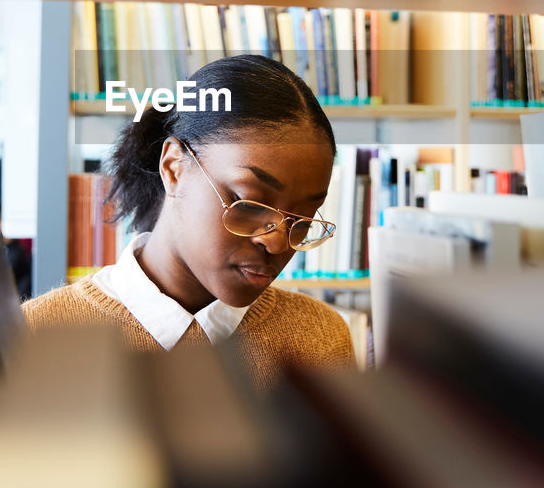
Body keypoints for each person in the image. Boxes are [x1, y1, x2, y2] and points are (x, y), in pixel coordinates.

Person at [23, 54, 355, 386]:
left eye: (304, 219)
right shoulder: (35, 336)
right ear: (174, 168)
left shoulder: (320, 339)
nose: (277, 242)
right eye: (250, 203)